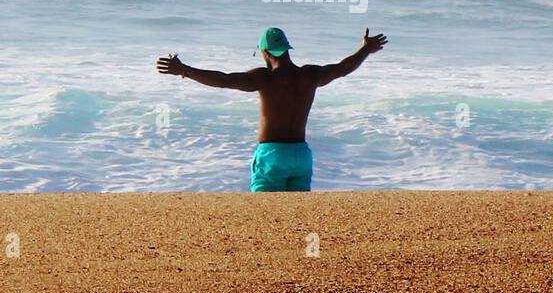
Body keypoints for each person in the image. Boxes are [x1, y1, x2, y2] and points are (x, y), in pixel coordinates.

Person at [156, 27, 388, 191]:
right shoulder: (311, 74)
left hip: (273, 155)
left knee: (267, 217)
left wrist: (185, 70)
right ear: (287, 49)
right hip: (301, 155)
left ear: (265, 52)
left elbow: (224, 80)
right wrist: (366, 49)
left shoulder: (264, 78)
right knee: (297, 217)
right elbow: (342, 68)